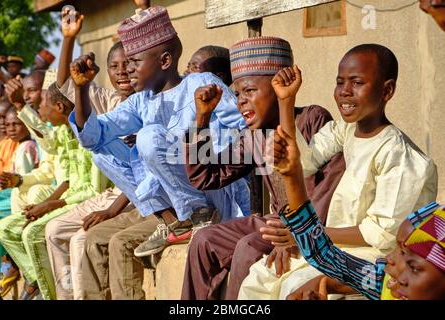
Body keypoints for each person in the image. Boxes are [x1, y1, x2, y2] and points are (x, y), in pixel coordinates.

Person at [238, 45, 438, 300]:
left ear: (387, 90)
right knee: (260, 277)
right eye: (340, 82)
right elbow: (302, 162)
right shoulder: (345, 131)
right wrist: (286, 102)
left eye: (357, 82)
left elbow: (380, 235)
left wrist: (304, 235)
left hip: (372, 258)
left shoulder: (400, 156)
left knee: (299, 287)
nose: (344, 91)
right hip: (330, 245)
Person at [69, 6, 249, 260]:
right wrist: (81, 89)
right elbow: (92, 136)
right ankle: (173, 220)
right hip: (180, 195)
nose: (128, 69)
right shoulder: (141, 101)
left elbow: (242, 131)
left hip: (214, 183)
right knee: (101, 153)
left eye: (135, 62)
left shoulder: (200, 83)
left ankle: (199, 215)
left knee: (148, 136)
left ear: (164, 61)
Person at [180, 36, 345, 300]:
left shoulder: (312, 119)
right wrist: (202, 119)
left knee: (248, 246)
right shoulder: (254, 136)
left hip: (308, 225)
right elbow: (204, 177)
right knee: (203, 241)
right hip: (274, 223)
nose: (240, 102)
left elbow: (327, 189)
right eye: (237, 95)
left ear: (279, 85)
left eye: (249, 91)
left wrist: (297, 234)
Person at [266, 124, 445, 299]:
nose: (389, 260)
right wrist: (291, 176)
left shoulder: (399, 153)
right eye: (398, 250)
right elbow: (325, 255)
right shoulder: (384, 285)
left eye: (413, 266)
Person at [43, 6, 148, 300]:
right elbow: (66, 86)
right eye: (114, 67)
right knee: (53, 231)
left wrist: (111, 210)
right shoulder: (109, 100)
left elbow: (146, 172)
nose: (123, 72)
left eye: (129, 64)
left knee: (82, 240)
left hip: (136, 196)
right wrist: (68, 39)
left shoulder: (151, 101)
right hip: (115, 193)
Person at [0, 83, 110, 300]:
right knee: (6, 228)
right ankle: (38, 279)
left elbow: (93, 190)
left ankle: (53, 294)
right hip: (68, 200)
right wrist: (46, 203)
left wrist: (51, 205)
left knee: (33, 233)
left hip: (89, 202)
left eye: (43, 104)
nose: (39, 109)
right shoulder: (64, 133)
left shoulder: (89, 134)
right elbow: (66, 178)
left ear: (59, 107)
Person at [0, 106, 39, 300]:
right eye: (7, 123)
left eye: (16, 124)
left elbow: (26, 180)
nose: (10, 127)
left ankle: (17, 271)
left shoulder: (27, 147)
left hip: (25, 193)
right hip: (14, 191)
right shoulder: (10, 144)